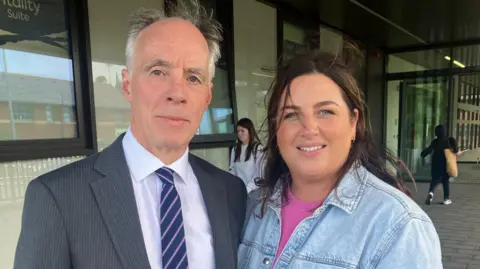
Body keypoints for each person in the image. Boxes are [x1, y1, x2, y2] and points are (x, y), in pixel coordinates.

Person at [14, 1, 247, 269]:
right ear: (127, 85)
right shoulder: (58, 198)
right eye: (158, 72)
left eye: (193, 78)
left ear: (207, 96)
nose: (178, 93)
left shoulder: (230, 193)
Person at [238, 47, 442, 268]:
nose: (309, 129)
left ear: (353, 122)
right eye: (291, 115)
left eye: (325, 112)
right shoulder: (254, 206)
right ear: (276, 128)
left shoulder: (398, 226)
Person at [421, 124, 460, 205]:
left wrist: (423, 154)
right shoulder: (450, 140)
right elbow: (456, 150)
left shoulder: (435, 141)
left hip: (436, 163)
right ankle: (446, 199)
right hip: (446, 164)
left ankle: (431, 193)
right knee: (445, 181)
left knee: (434, 180)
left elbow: (429, 150)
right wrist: (456, 152)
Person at [230, 118, 264, 192]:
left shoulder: (258, 148)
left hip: (254, 191)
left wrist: (248, 188)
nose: (239, 133)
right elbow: (233, 171)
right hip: (239, 190)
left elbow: (259, 174)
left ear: (249, 131)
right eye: (238, 131)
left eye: (242, 131)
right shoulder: (235, 149)